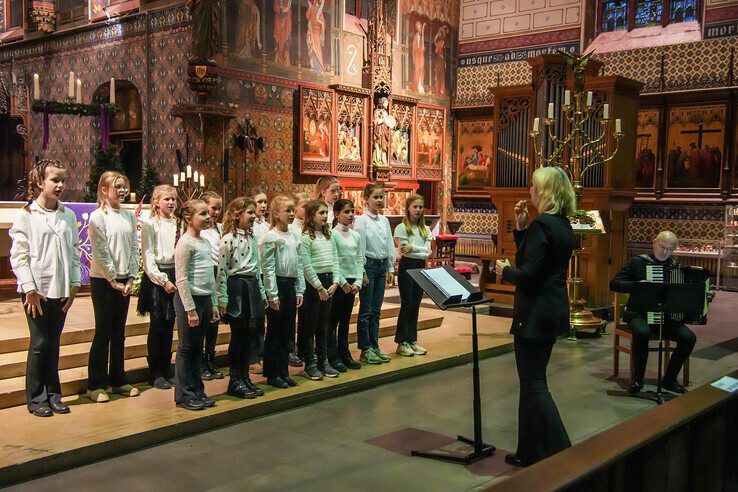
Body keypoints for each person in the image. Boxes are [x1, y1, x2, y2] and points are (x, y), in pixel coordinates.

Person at [494, 166, 575, 467]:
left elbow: (527, 275)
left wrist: (504, 270)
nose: (529, 191)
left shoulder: (544, 227)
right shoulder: (561, 225)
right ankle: (528, 451)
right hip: (552, 309)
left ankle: (566, 452)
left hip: (535, 313)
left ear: (544, 192)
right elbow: (537, 260)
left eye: (533, 186)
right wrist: (521, 227)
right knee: (531, 383)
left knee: (534, 384)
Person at [10, 160, 80, 417]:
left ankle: (54, 394)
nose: (60, 185)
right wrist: (29, 288)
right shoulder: (26, 215)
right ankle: (36, 397)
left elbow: (73, 253)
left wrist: (73, 284)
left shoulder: (68, 215)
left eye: (63, 180)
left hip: (60, 289)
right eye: (54, 180)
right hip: (36, 292)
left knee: (54, 343)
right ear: (40, 182)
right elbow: (19, 256)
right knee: (40, 342)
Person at [609, 231, 696, 395]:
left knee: (688, 338)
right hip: (639, 314)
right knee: (642, 332)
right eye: (662, 247)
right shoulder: (638, 262)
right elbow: (614, 284)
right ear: (654, 243)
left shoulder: (676, 268)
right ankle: (637, 379)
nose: (664, 252)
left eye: (669, 249)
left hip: (666, 318)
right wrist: (637, 285)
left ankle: (669, 380)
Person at [87, 171, 140, 403]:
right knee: (103, 332)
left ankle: (118, 379)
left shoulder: (129, 217)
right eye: (117, 186)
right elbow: (101, 252)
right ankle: (95, 383)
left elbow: (133, 248)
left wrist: (130, 279)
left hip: (123, 281)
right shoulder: (97, 217)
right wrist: (113, 280)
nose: (122, 190)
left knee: (119, 332)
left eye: (124, 186)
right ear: (104, 190)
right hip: (103, 281)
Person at [217, 197, 267, 399]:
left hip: (252, 286)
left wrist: (262, 293)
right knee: (238, 337)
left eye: (254, 213)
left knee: (249, 335)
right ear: (237, 215)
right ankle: (234, 380)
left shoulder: (252, 238)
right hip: (236, 287)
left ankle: (245, 377)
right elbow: (222, 271)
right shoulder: (228, 239)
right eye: (250, 213)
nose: (254, 216)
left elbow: (257, 268)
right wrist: (221, 298)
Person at [173, 199, 220, 411]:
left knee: (198, 349)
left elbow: (210, 276)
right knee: (186, 348)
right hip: (189, 301)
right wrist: (190, 309)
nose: (208, 217)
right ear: (188, 218)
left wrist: (214, 302)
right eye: (202, 214)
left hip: (204, 299)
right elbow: (181, 279)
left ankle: (197, 389)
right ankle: (184, 394)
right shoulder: (185, 243)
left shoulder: (204, 241)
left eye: (207, 214)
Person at [260, 195, 304, 388]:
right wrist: (272, 294)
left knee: (287, 330)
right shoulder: (271, 237)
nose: (292, 214)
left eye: (293, 210)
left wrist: (300, 289)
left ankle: (283, 371)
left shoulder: (294, 236)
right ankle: (272, 373)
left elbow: (299, 264)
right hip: (277, 285)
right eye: (287, 210)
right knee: (275, 332)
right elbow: (268, 268)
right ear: (276, 214)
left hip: (291, 284)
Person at [138, 185, 179, 389]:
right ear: (156, 202)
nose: (171, 203)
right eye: (166, 199)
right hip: (157, 277)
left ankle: (166, 366)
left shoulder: (178, 223)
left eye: (173, 199)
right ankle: (155, 371)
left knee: (170, 324)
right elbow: (148, 257)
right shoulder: (150, 224)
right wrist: (163, 280)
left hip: (175, 273)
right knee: (158, 326)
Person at [298, 199, 340, 379]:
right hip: (314, 285)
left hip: (329, 282)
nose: (325, 216)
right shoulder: (306, 238)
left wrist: (336, 281)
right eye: (321, 213)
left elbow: (335, 260)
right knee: (311, 325)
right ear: (311, 216)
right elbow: (306, 265)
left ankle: (323, 360)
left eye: (326, 212)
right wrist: (319, 287)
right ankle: (310, 363)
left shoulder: (329, 236)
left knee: (324, 325)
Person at [354, 183, 395, 364]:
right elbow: (360, 246)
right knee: (366, 309)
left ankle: (375, 346)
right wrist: (361, 270)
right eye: (376, 197)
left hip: (381, 266)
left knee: (376, 310)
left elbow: (389, 245)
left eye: (381, 197)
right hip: (368, 266)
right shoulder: (361, 220)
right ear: (366, 199)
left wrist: (391, 267)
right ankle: (365, 348)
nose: (379, 200)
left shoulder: (384, 220)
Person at [327, 199, 363, 371]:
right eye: (346, 212)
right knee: (332, 321)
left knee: (345, 321)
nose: (350, 215)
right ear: (336, 214)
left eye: (352, 211)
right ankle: (332, 356)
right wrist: (341, 282)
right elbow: (333, 260)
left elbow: (359, 260)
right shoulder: (332, 234)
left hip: (352, 283)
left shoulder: (356, 235)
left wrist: (357, 281)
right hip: (338, 282)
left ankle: (345, 353)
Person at [393, 194, 430, 357]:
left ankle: (412, 340)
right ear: (408, 208)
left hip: (420, 267)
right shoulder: (402, 228)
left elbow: (427, 252)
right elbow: (403, 251)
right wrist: (418, 250)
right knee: (407, 304)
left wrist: (413, 248)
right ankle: (402, 342)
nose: (418, 210)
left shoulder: (425, 229)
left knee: (416, 304)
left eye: (421, 207)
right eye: (415, 206)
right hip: (407, 267)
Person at [199, 191, 225, 381]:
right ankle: (200, 361)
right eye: (213, 208)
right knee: (203, 321)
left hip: (218, 274)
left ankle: (210, 358)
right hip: (204, 275)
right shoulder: (199, 229)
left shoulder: (220, 228)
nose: (215, 212)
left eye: (218, 208)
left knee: (214, 321)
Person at [247, 188, 269, 374]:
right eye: (260, 201)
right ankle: (252, 357)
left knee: (262, 317)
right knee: (254, 318)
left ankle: (262, 354)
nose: (263, 205)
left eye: (265, 202)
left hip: (266, 273)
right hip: (253, 274)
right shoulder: (249, 226)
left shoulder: (267, 225)